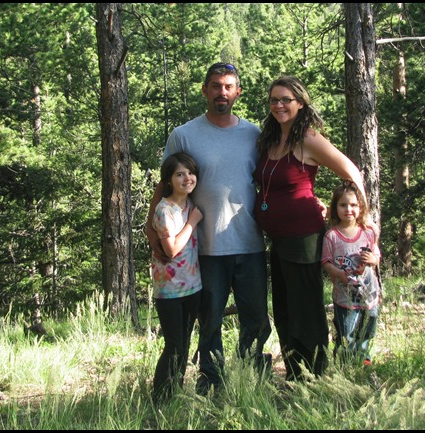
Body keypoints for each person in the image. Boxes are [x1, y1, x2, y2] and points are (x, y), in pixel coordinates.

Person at [145, 63, 271, 396]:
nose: (221, 93)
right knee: (210, 321)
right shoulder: (184, 134)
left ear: (238, 92)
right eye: (215, 86)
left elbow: (273, 179)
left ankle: (253, 379)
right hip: (206, 247)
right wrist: (150, 227)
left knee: (256, 318)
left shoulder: (254, 135)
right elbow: (165, 183)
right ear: (204, 90)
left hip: (250, 243)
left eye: (228, 87)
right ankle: (211, 382)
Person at [253, 75, 366, 381]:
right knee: (285, 309)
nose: (279, 105)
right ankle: (295, 373)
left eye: (285, 100)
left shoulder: (308, 138)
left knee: (305, 310)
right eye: (274, 100)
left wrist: (362, 219)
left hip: (303, 238)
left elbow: (352, 172)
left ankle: (315, 375)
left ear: (300, 103)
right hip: (278, 240)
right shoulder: (271, 139)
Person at [150, 152, 203, 404]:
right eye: (180, 174)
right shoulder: (164, 210)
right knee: (173, 345)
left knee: (184, 343)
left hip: (192, 286)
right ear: (169, 180)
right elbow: (171, 250)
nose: (187, 178)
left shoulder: (190, 204)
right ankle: (161, 397)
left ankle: (175, 393)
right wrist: (192, 222)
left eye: (190, 173)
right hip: (169, 290)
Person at [321, 182, 382, 367]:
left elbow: (377, 254)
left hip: (368, 295)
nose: (349, 209)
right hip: (344, 297)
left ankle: (363, 362)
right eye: (343, 205)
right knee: (346, 332)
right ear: (335, 208)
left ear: (361, 207)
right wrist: (339, 273)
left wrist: (373, 259)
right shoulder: (332, 236)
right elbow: (325, 262)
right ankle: (344, 365)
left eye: (354, 205)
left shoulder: (367, 232)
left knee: (367, 330)